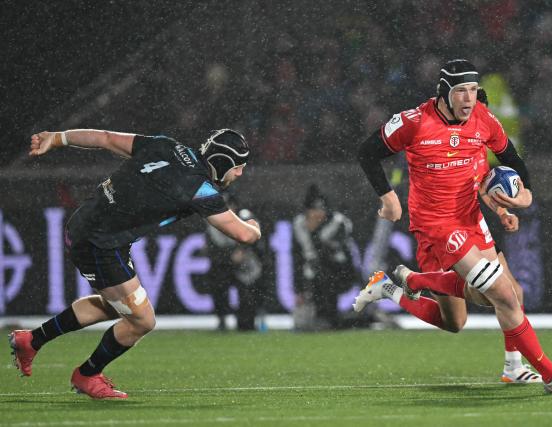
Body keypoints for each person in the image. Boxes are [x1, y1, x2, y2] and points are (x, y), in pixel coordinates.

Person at [354, 59, 552, 394]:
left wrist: (517, 199)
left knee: (461, 319)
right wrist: (389, 198)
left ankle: (394, 288)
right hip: (436, 226)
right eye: (461, 91)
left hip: (471, 221)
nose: (469, 99)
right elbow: (366, 153)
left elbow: (512, 163)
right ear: (444, 93)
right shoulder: (415, 122)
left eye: (473, 91)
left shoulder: (482, 120)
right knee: (503, 295)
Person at [9, 128, 261, 399]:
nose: (240, 174)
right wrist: (254, 224)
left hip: (86, 225)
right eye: (238, 167)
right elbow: (245, 235)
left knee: (115, 307)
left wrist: (58, 138)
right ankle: (87, 374)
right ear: (221, 163)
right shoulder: (199, 188)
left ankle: (32, 340)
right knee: (142, 321)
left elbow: (105, 138)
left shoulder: (166, 145)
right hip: (100, 244)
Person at [292, 184, 358, 330]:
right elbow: (299, 257)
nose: (317, 214)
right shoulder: (299, 224)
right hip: (315, 270)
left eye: (320, 210)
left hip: (341, 270)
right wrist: (299, 287)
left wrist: (314, 233)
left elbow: (328, 252)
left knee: (325, 276)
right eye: (313, 210)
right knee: (314, 275)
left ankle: (329, 318)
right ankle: (319, 318)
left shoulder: (338, 222)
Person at [204, 195, 264, 331]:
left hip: (245, 265)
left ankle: (246, 322)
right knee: (218, 282)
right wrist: (230, 255)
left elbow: (257, 241)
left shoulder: (245, 217)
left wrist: (243, 251)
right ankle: (222, 320)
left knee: (247, 290)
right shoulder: (212, 223)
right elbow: (213, 250)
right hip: (223, 265)